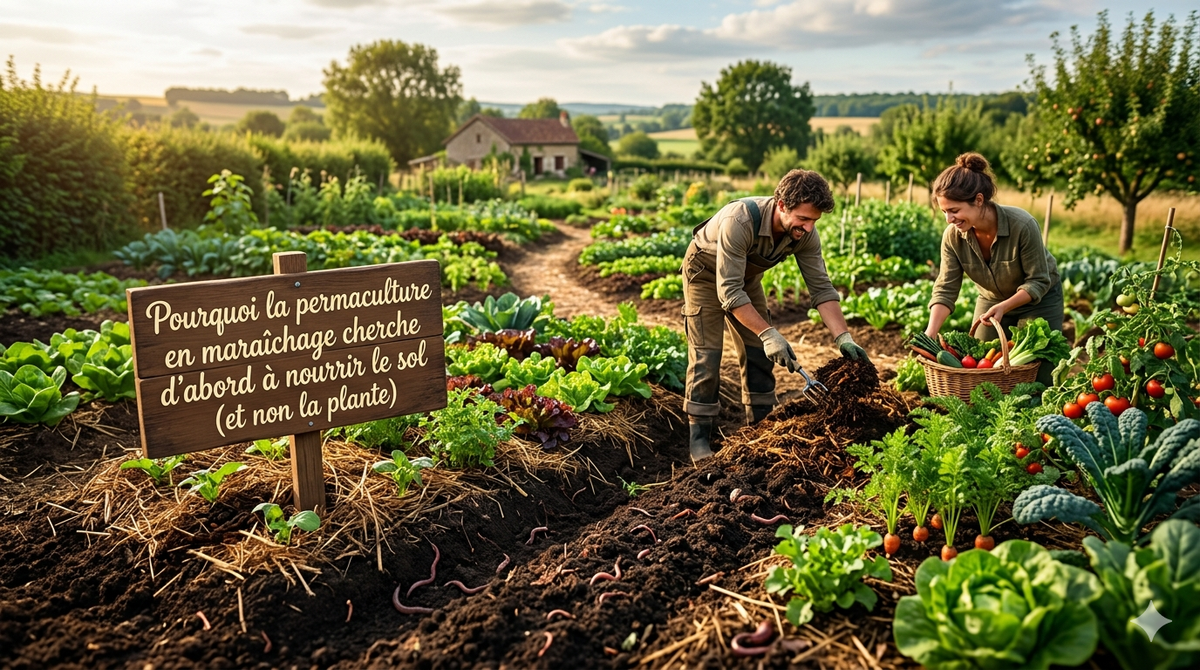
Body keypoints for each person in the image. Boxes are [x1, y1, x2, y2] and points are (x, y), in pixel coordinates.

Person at [681, 169, 868, 461]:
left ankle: (759, 426)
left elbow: (821, 288)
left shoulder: (804, 234)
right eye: (803, 219)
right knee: (708, 355)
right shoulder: (739, 220)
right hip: (704, 275)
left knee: (758, 353)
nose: (808, 227)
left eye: (814, 221)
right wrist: (769, 332)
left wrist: (843, 337)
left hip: (746, 278)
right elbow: (728, 292)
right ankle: (699, 439)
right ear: (781, 205)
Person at [924, 152, 1062, 386]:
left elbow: (1038, 281)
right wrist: (929, 334)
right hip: (991, 300)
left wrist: (1005, 306)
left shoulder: (1022, 225)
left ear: (978, 200)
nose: (949, 219)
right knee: (981, 370)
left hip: (1039, 301)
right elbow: (946, 288)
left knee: (1039, 378)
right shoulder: (953, 237)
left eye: (954, 210)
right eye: (944, 212)